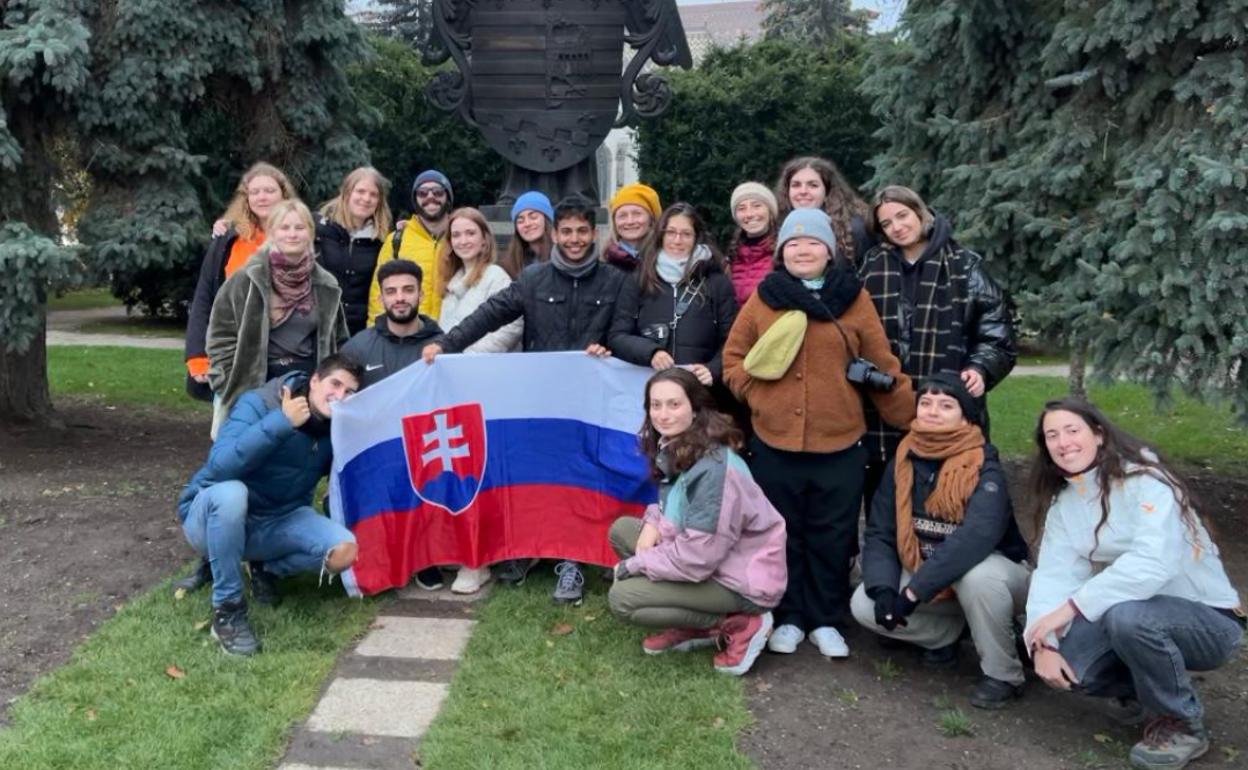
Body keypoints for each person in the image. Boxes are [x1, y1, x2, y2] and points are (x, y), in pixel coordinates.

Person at [722, 208, 915, 658]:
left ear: (828, 250)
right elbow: (734, 359)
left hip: (840, 441)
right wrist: (758, 397)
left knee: (833, 533)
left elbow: (881, 361)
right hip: (775, 441)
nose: (802, 250)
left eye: (812, 243)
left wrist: (914, 415)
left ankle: (827, 617)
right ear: (782, 252)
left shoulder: (853, 298)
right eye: (793, 244)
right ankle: (789, 615)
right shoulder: (766, 298)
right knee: (782, 534)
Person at [422, 199, 626, 604]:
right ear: (554, 234)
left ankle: (588, 558)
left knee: (588, 477)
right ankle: (547, 553)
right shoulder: (534, 278)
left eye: (582, 231)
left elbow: (622, 330)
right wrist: (446, 343)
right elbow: (490, 314)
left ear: (594, 234)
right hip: (545, 398)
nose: (573, 239)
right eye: (566, 231)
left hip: (592, 399)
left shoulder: (615, 281)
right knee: (545, 478)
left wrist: (609, 348)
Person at [1024, 399, 1243, 770]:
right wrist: (1042, 641)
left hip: (1209, 622)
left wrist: (1071, 609)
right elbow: (1053, 574)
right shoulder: (1067, 501)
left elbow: (1152, 563)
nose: (1063, 442)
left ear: (1098, 433)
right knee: (1070, 662)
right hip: (1134, 615)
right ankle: (1149, 692)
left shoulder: (1149, 482)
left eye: (1072, 430)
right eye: (1052, 436)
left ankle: (1182, 724)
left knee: (1129, 616)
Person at [851, 373, 1030, 709]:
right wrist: (887, 591)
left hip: (996, 578)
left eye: (946, 405)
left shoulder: (984, 464)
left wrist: (913, 593)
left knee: (979, 578)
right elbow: (880, 533)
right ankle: (950, 636)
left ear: (966, 416)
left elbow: (975, 538)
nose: (933, 411)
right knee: (864, 604)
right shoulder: (902, 460)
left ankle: (1003, 674)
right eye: (926, 403)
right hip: (928, 574)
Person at [176, 354, 362, 655]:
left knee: (344, 550)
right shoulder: (259, 403)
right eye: (335, 384)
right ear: (314, 380)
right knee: (232, 494)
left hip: (277, 520)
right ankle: (228, 610)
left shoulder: (336, 427)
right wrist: (282, 423)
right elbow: (220, 466)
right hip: (212, 519)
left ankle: (268, 568)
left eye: (349, 392)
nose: (339, 396)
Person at [608, 368, 787, 676]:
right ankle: (692, 623)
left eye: (674, 405)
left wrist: (636, 565)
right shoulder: (681, 445)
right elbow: (676, 504)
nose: (663, 415)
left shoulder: (714, 467)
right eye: (656, 405)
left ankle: (741, 624)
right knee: (623, 531)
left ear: (695, 409)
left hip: (740, 581)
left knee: (624, 598)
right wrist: (652, 521)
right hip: (710, 559)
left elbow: (697, 559)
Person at [858, 185, 1016, 512]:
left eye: (902, 216)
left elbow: (996, 329)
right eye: (887, 223)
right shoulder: (872, 265)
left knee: (947, 501)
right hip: (884, 407)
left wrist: (982, 367)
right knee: (887, 501)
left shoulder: (964, 265)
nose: (897, 227)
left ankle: (941, 561)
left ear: (920, 213)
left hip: (945, 399)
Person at [340, 259, 445, 592]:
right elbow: (341, 402)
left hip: (426, 449)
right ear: (381, 298)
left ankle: (426, 557)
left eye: (408, 290)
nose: (400, 298)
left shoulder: (441, 343)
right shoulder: (359, 346)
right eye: (392, 292)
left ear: (421, 293)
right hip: (377, 452)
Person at [206, 199, 350, 437]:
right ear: (272, 232)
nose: (292, 234)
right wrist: (226, 379)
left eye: (299, 227)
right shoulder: (246, 279)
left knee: (294, 463)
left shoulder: (326, 285)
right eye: (284, 228)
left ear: (310, 233)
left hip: (306, 387)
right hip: (254, 384)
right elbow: (220, 334)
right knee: (248, 456)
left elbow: (339, 339)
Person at [185, 162, 296, 401]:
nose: (262, 197)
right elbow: (205, 297)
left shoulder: (300, 235)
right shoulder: (228, 239)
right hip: (231, 353)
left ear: (283, 194)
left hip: (283, 353)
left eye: (269, 190)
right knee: (229, 428)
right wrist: (197, 356)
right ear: (246, 199)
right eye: (255, 192)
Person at [608, 202, 737, 390]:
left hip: (701, 392)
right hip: (649, 391)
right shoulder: (640, 279)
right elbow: (618, 336)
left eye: (686, 234)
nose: (677, 240)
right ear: (660, 235)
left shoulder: (717, 283)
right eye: (671, 232)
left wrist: (713, 369)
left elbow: (733, 340)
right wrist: (651, 353)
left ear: (696, 238)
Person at [367, 169, 453, 322]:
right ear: (415, 200)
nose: (430, 197)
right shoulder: (396, 240)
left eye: (438, 192)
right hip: (407, 335)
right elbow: (378, 294)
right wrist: (377, 336)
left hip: (453, 336)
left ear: (448, 197)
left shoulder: (460, 238)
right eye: (423, 193)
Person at [316, 166, 393, 336]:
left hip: (359, 331)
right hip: (319, 326)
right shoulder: (318, 228)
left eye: (373, 194)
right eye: (360, 191)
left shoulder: (382, 241)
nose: (366, 199)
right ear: (347, 192)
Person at [437, 207, 523, 355]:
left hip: (486, 369)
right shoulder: (451, 285)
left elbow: (511, 326)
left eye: (470, 233)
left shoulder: (496, 276)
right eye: (456, 235)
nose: (463, 241)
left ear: (484, 240)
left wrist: (469, 357)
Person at [774, 156, 869, 263]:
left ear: (827, 192)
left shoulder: (852, 229)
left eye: (813, 185)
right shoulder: (778, 225)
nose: (803, 191)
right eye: (796, 185)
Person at [725, 182, 779, 306]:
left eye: (756, 206)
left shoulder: (784, 253)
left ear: (770, 211)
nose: (749, 214)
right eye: (742, 208)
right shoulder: (731, 258)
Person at [603, 182, 662, 272]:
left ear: (651, 219)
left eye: (637, 214)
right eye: (622, 215)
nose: (630, 221)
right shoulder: (603, 263)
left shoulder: (665, 261)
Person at [500, 190, 554, 279]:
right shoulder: (510, 265)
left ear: (547, 220)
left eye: (533, 217)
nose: (527, 224)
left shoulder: (562, 259)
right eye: (520, 221)